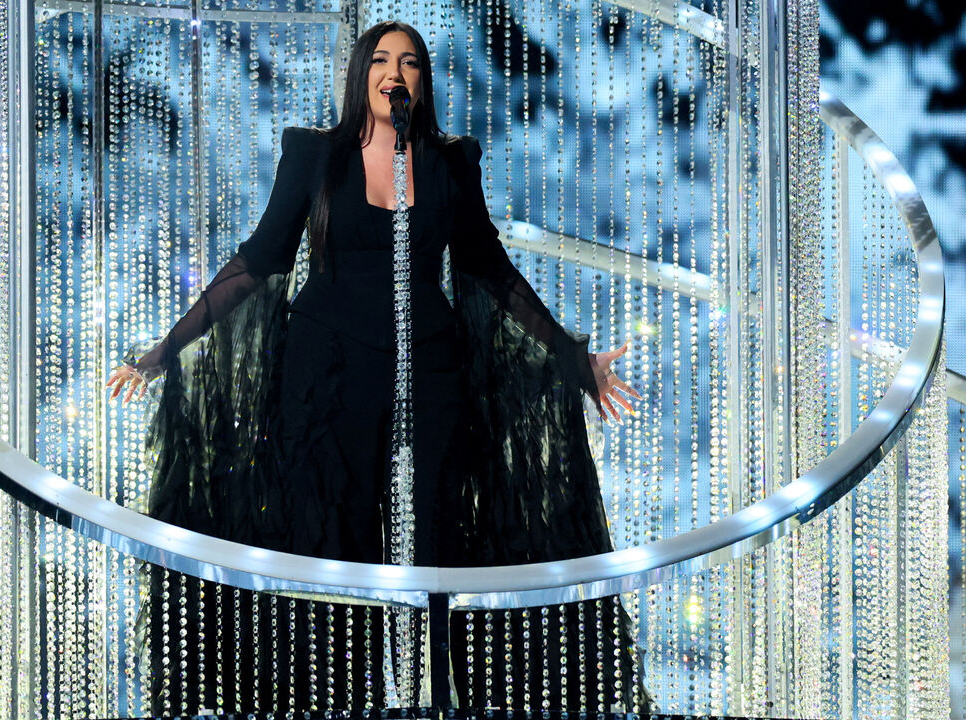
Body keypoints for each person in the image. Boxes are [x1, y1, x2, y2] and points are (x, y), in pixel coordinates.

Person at [106, 20, 650, 714]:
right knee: (335, 535)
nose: (396, 72)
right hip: (327, 367)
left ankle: (439, 700)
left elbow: (490, 270)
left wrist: (577, 362)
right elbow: (258, 261)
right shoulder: (315, 155)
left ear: (422, 81)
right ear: (361, 72)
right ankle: (330, 700)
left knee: (439, 538)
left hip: (432, 367)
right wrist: (160, 355)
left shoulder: (451, 162)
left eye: (411, 63)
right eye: (383, 60)